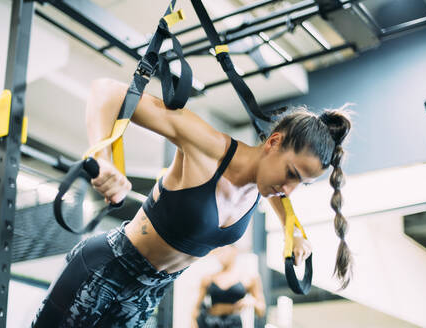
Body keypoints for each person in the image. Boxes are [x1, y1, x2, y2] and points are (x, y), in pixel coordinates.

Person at [31, 77, 352, 328]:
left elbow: (280, 198)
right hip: (105, 268)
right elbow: (107, 92)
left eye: (301, 183)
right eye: (291, 173)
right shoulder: (208, 146)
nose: (289, 189)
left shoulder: (265, 187)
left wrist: (291, 231)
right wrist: (102, 159)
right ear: (274, 141)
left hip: (147, 294)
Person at [191, 244, 265, 328]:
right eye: (218, 251)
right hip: (212, 323)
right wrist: (193, 324)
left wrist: (252, 302)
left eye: (224, 250)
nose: (220, 255)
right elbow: (196, 309)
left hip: (234, 324)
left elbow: (261, 311)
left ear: (234, 251)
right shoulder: (208, 278)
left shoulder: (249, 278)